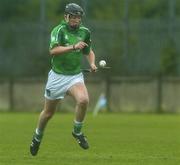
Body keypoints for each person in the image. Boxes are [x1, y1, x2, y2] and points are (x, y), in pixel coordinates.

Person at [30, 3, 97, 156]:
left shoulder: (85, 32)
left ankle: (77, 132)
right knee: (48, 113)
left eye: (78, 17)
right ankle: (37, 137)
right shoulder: (58, 30)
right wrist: (73, 47)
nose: (76, 20)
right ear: (66, 16)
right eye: (73, 16)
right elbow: (53, 50)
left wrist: (92, 63)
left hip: (74, 76)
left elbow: (89, 51)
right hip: (57, 77)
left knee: (83, 100)